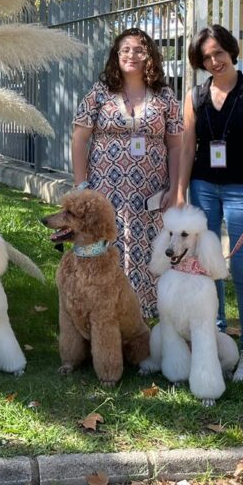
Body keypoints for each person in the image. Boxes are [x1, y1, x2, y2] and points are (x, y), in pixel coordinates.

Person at [176, 24, 243, 384]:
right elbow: (189, 148)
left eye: (219, 52)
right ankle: (216, 339)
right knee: (206, 267)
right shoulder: (195, 96)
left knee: (242, 271)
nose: (214, 61)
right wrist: (180, 192)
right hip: (204, 186)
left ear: (231, 50)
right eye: (206, 57)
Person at [71, 27, 183, 317]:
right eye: (125, 50)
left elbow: (175, 146)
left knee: (149, 249)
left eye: (139, 50)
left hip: (150, 193)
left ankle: (143, 317)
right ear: (116, 55)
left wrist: (175, 188)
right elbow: (80, 139)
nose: (131, 55)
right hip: (106, 191)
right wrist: (81, 185)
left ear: (150, 56)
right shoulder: (100, 93)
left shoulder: (165, 96)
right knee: (108, 248)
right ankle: (105, 314)